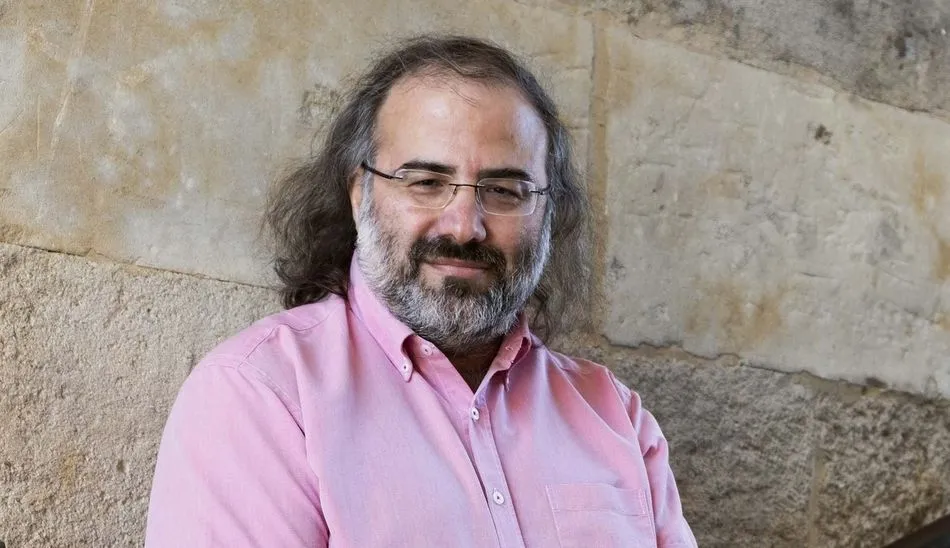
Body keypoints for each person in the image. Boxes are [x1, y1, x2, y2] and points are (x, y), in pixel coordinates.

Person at [145, 35, 697, 547]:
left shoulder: (615, 416)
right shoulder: (262, 396)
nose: (464, 226)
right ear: (360, 194)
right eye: (427, 182)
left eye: (505, 190)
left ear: (549, 213)